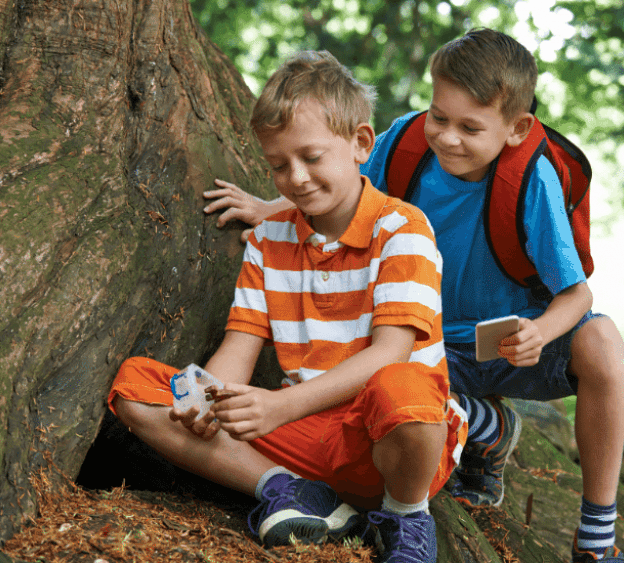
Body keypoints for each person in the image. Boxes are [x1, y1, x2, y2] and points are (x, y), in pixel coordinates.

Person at [205, 29, 624, 563]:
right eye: (439, 116)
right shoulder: (407, 144)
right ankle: (484, 426)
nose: (448, 137)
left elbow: (577, 294)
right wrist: (266, 207)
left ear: (517, 129)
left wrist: (540, 331)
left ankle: (595, 533)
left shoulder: (531, 180)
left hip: (506, 343)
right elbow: (338, 183)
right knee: (396, 386)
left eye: (470, 127)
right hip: (421, 344)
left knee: (603, 341)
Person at [112, 51, 464, 563]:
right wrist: (207, 400)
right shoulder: (269, 238)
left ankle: (405, 518)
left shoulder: (402, 229)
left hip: (392, 443)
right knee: (137, 387)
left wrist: (279, 406)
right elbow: (240, 346)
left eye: (311, 157)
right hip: (305, 433)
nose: (295, 177)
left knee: (404, 386)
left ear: (361, 144)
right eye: (278, 165)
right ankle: (289, 489)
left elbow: (392, 352)